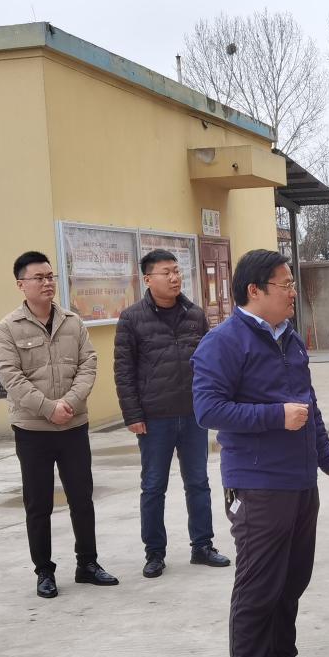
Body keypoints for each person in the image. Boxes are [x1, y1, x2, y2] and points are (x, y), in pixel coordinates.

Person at [191, 249, 329, 657]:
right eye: (284, 284)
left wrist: (326, 457)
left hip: (301, 481)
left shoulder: (290, 338)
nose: (292, 292)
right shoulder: (223, 342)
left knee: (292, 579)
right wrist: (274, 416)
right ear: (254, 291)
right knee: (258, 588)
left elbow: (309, 405)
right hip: (258, 483)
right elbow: (207, 410)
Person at [0, 251, 118, 599]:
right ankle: (44, 571)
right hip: (33, 430)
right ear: (21, 285)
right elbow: (11, 377)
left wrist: (70, 404)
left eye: (50, 276)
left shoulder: (72, 322)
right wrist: (49, 409)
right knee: (39, 504)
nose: (47, 283)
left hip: (73, 426)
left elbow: (88, 364)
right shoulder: (7, 328)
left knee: (82, 498)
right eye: (39, 278)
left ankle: (87, 564)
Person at [114, 248, 230, 579]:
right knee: (153, 486)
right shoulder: (131, 319)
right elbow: (124, 371)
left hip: (193, 415)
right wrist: (132, 414)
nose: (175, 277)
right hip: (154, 418)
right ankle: (154, 553)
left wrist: (214, 404)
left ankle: (202, 546)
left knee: (199, 482)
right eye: (166, 272)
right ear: (148, 279)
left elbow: (210, 364)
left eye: (177, 271)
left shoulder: (195, 315)